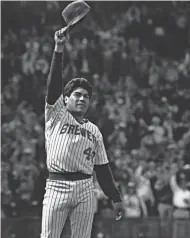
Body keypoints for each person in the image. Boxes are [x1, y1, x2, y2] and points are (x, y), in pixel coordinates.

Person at [40, 27, 124, 238]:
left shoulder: (94, 130)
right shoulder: (57, 114)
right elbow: (53, 87)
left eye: (86, 96)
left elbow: (103, 168)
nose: (82, 99)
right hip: (57, 185)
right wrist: (59, 49)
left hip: (86, 187)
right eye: (77, 95)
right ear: (65, 99)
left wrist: (115, 197)